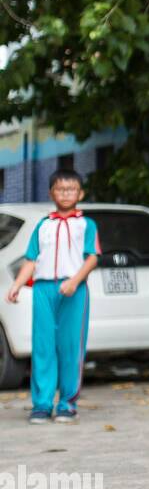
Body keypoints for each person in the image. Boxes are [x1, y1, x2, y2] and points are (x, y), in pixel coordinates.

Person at [6, 169, 100, 425]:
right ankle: (42, 404)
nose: (66, 193)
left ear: (80, 193)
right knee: (43, 347)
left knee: (71, 347)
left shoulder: (86, 225)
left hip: (74, 289)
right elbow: (31, 259)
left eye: (71, 189)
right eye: (60, 189)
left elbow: (92, 257)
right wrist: (16, 284)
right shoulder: (43, 225)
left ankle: (67, 403)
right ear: (51, 193)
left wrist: (74, 281)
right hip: (43, 290)